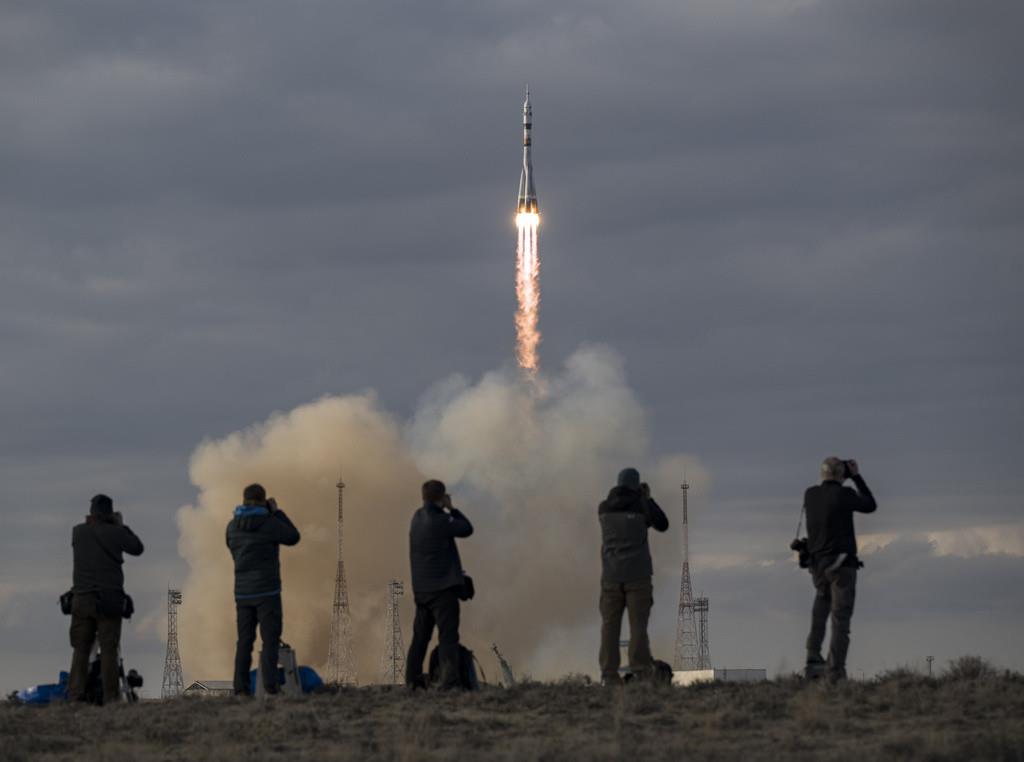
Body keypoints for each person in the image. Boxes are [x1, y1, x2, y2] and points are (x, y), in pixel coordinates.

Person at [803, 457, 877, 682]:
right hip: (842, 566)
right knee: (840, 618)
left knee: (819, 614)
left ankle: (813, 659)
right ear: (841, 474)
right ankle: (835, 671)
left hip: (818, 566)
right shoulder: (844, 495)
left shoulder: (810, 494)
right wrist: (856, 476)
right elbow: (870, 505)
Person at [68, 494, 145, 703]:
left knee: (81, 649)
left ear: (91, 512)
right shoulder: (116, 532)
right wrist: (122, 525)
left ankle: (76, 695)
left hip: (82, 598)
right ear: (110, 514)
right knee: (109, 649)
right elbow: (138, 548)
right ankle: (112, 698)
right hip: (109, 599)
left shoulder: (78, 532)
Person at [226, 483, 300, 696]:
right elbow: (293, 537)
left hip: (242, 594)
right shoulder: (269, 523)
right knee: (270, 640)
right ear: (263, 500)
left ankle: (240, 689)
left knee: (244, 641)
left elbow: (230, 546)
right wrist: (277, 513)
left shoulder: (231, 526)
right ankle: (271, 687)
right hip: (268, 592)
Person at [598, 468, 669, 685]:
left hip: (611, 576)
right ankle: (640, 670)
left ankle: (609, 675)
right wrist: (647, 498)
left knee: (610, 627)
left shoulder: (603, 508)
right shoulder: (641, 506)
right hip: (638, 577)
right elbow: (662, 524)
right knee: (638, 626)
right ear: (636, 485)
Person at [405, 479, 474, 690]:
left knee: (420, 638)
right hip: (442, 591)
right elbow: (467, 529)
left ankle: (412, 681)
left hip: (422, 590)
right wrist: (452, 509)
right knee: (448, 638)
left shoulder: (416, 518)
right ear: (441, 497)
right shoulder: (441, 520)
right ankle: (449, 682)